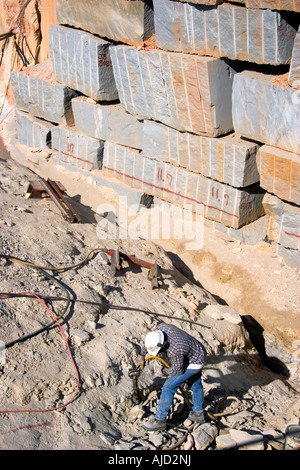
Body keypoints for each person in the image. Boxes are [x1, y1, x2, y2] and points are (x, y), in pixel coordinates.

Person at [136, 322, 206, 431]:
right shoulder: (160, 330)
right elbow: (149, 343)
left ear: (163, 345)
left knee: (169, 386)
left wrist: (163, 371)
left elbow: (177, 370)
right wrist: (141, 356)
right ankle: (198, 413)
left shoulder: (176, 349)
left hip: (196, 361)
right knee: (195, 384)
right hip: (195, 349)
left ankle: (159, 420)